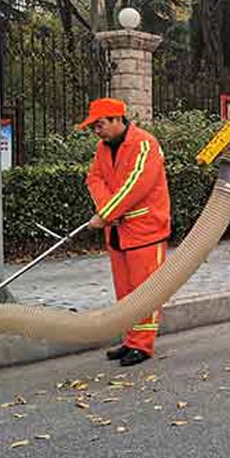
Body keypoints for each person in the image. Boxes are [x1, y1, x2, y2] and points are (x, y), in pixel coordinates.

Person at [78, 98, 170, 367]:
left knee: (146, 291)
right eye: (94, 125)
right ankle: (130, 339)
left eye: (100, 124)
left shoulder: (145, 144)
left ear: (118, 119)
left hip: (145, 229)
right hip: (118, 231)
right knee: (125, 292)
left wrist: (106, 214)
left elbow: (136, 186)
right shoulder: (102, 148)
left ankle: (143, 345)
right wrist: (107, 210)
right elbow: (94, 178)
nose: (97, 129)